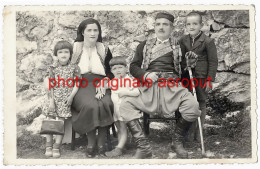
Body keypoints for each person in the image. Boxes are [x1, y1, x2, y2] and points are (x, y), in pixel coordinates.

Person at [119, 12, 201, 159]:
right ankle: (143, 146)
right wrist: (145, 75)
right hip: (148, 86)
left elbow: (185, 70)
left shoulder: (179, 45)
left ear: (172, 28)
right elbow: (133, 66)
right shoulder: (143, 45)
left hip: (172, 86)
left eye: (165, 24)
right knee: (125, 105)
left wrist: (190, 64)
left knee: (193, 107)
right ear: (154, 27)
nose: (161, 27)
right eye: (158, 24)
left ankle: (177, 141)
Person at [71, 18, 114, 158]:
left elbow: (111, 71)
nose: (93, 33)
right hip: (81, 84)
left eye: (95, 30)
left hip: (101, 83)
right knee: (91, 105)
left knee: (105, 103)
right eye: (89, 30)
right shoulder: (75, 48)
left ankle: (101, 144)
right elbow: (65, 68)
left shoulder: (104, 49)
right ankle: (91, 143)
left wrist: (105, 82)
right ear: (82, 32)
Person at [179, 12, 218, 141]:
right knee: (188, 103)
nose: (191, 26)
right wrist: (185, 65)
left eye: (195, 24)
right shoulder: (183, 40)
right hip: (186, 76)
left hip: (201, 77)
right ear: (185, 26)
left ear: (201, 25)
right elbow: (180, 58)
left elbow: (213, 61)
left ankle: (199, 132)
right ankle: (188, 131)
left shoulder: (207, 41)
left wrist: (209, 80)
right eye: (188, 24)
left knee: (200, 102)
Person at [42, 40, 81, 158]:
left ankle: (56, 147)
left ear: (70, 54)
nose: (63, 55)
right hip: (52, 99)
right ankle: (48, 146)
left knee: (61, 124)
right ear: (56, 54)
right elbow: (51, 86)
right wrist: (51, 101)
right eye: (60, 52)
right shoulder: (52, 68)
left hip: (65, 100)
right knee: (50, 122)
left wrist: (71, 97)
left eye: (66, 52)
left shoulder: (75, 68)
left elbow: (77, 84)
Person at [99, 56, 140, 157]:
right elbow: (104, 85)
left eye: (120, 67)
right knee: (119, 128)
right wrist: (102, 84)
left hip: (124, 109)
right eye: (114, 68)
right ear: (111, 71)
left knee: (123, 128)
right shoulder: (113, 81)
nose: (117, 70)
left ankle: (119, 148)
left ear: (126, 68)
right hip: (116, 110)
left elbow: (137, 91)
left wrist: (126, 92)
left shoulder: (129, 80)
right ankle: (121, 145)